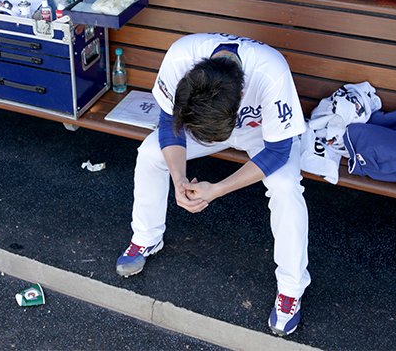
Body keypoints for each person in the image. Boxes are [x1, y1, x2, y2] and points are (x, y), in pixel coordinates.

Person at [116, 33, 310, 336]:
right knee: (150, 152)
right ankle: (147, 236)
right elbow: (169, 123)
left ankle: (291, 288)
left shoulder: (270, 72)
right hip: (206, 122)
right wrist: (179, 177)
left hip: (261, 134)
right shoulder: (182, 56)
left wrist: (217, 189)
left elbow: (278, 151)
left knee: (285, 186)